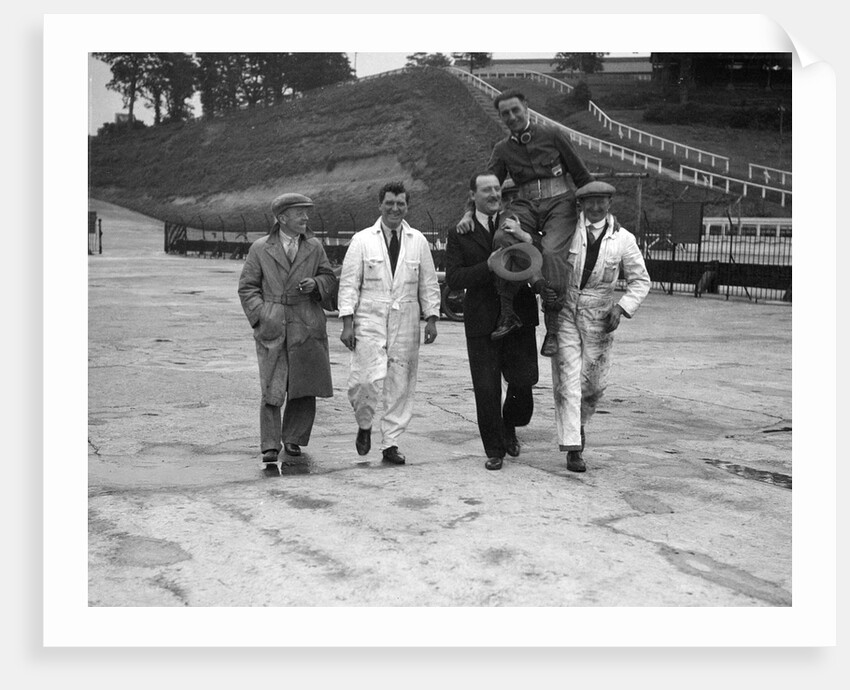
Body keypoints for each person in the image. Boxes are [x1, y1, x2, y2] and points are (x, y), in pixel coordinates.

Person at [456, 89, 595, 356]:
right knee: (503, 238)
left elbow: (582, 176)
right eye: (505, 113)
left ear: (526, 108)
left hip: (560, 204)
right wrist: (468, 213)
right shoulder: (502, 149)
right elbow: (487, 183)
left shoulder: (553, 135)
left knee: (552, 252)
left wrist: (602, 217)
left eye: (515, 110)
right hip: (526, 206)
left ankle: (552, 327)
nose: (511, 116)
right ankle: (508, 313)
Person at [550, 180, 651, 473]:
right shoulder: (567, 231)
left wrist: (622, 307)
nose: (595, 207)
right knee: (567, 380)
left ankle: (579, 423)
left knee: (593, 385)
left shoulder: (623, 239)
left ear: (610, 203)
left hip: (600, 316)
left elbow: (641, 280)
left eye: (601, 201)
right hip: (566, 310)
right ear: (581, 204)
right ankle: (573, 447)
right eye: (589, 201)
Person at [338, 182, 441, 465]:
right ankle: (364, 423)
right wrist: (347, 323)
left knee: (401, 382)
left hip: (406, 317)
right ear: (380, 205)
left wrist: (432, 318)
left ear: (407, 206)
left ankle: (391, 442)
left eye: (400, 204)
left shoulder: (418, 240)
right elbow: (349, 284)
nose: (395, 209)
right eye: (389, 203)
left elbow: (428, 282)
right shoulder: (362, 240)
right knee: (364, 379)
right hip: (369, 316)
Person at [446, 171, 539, 471]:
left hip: (520, 316)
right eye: (486, 190)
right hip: (482, 320)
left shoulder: (517, 221)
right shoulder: (460, 232)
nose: (494, 194)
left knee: (523, 382)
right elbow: (455, 278)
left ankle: (510, 423)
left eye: (497, 189)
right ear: (472, 195)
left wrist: (525, 236)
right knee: (486, 389)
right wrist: (487, 266)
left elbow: (540, 250)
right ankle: (495, 448)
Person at [238, 193, 338, 465]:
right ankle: (270, 444)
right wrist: (262, 315)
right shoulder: (260, 248)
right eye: (299, 213)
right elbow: (247, 287)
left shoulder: (314, 246)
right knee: (273, 383)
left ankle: (294, 438)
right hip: (274, 321)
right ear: (282, 218)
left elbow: (329, 277)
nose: (306, 217)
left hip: (306, 320)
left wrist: (316, 284)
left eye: (307, 212)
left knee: (304, 383)